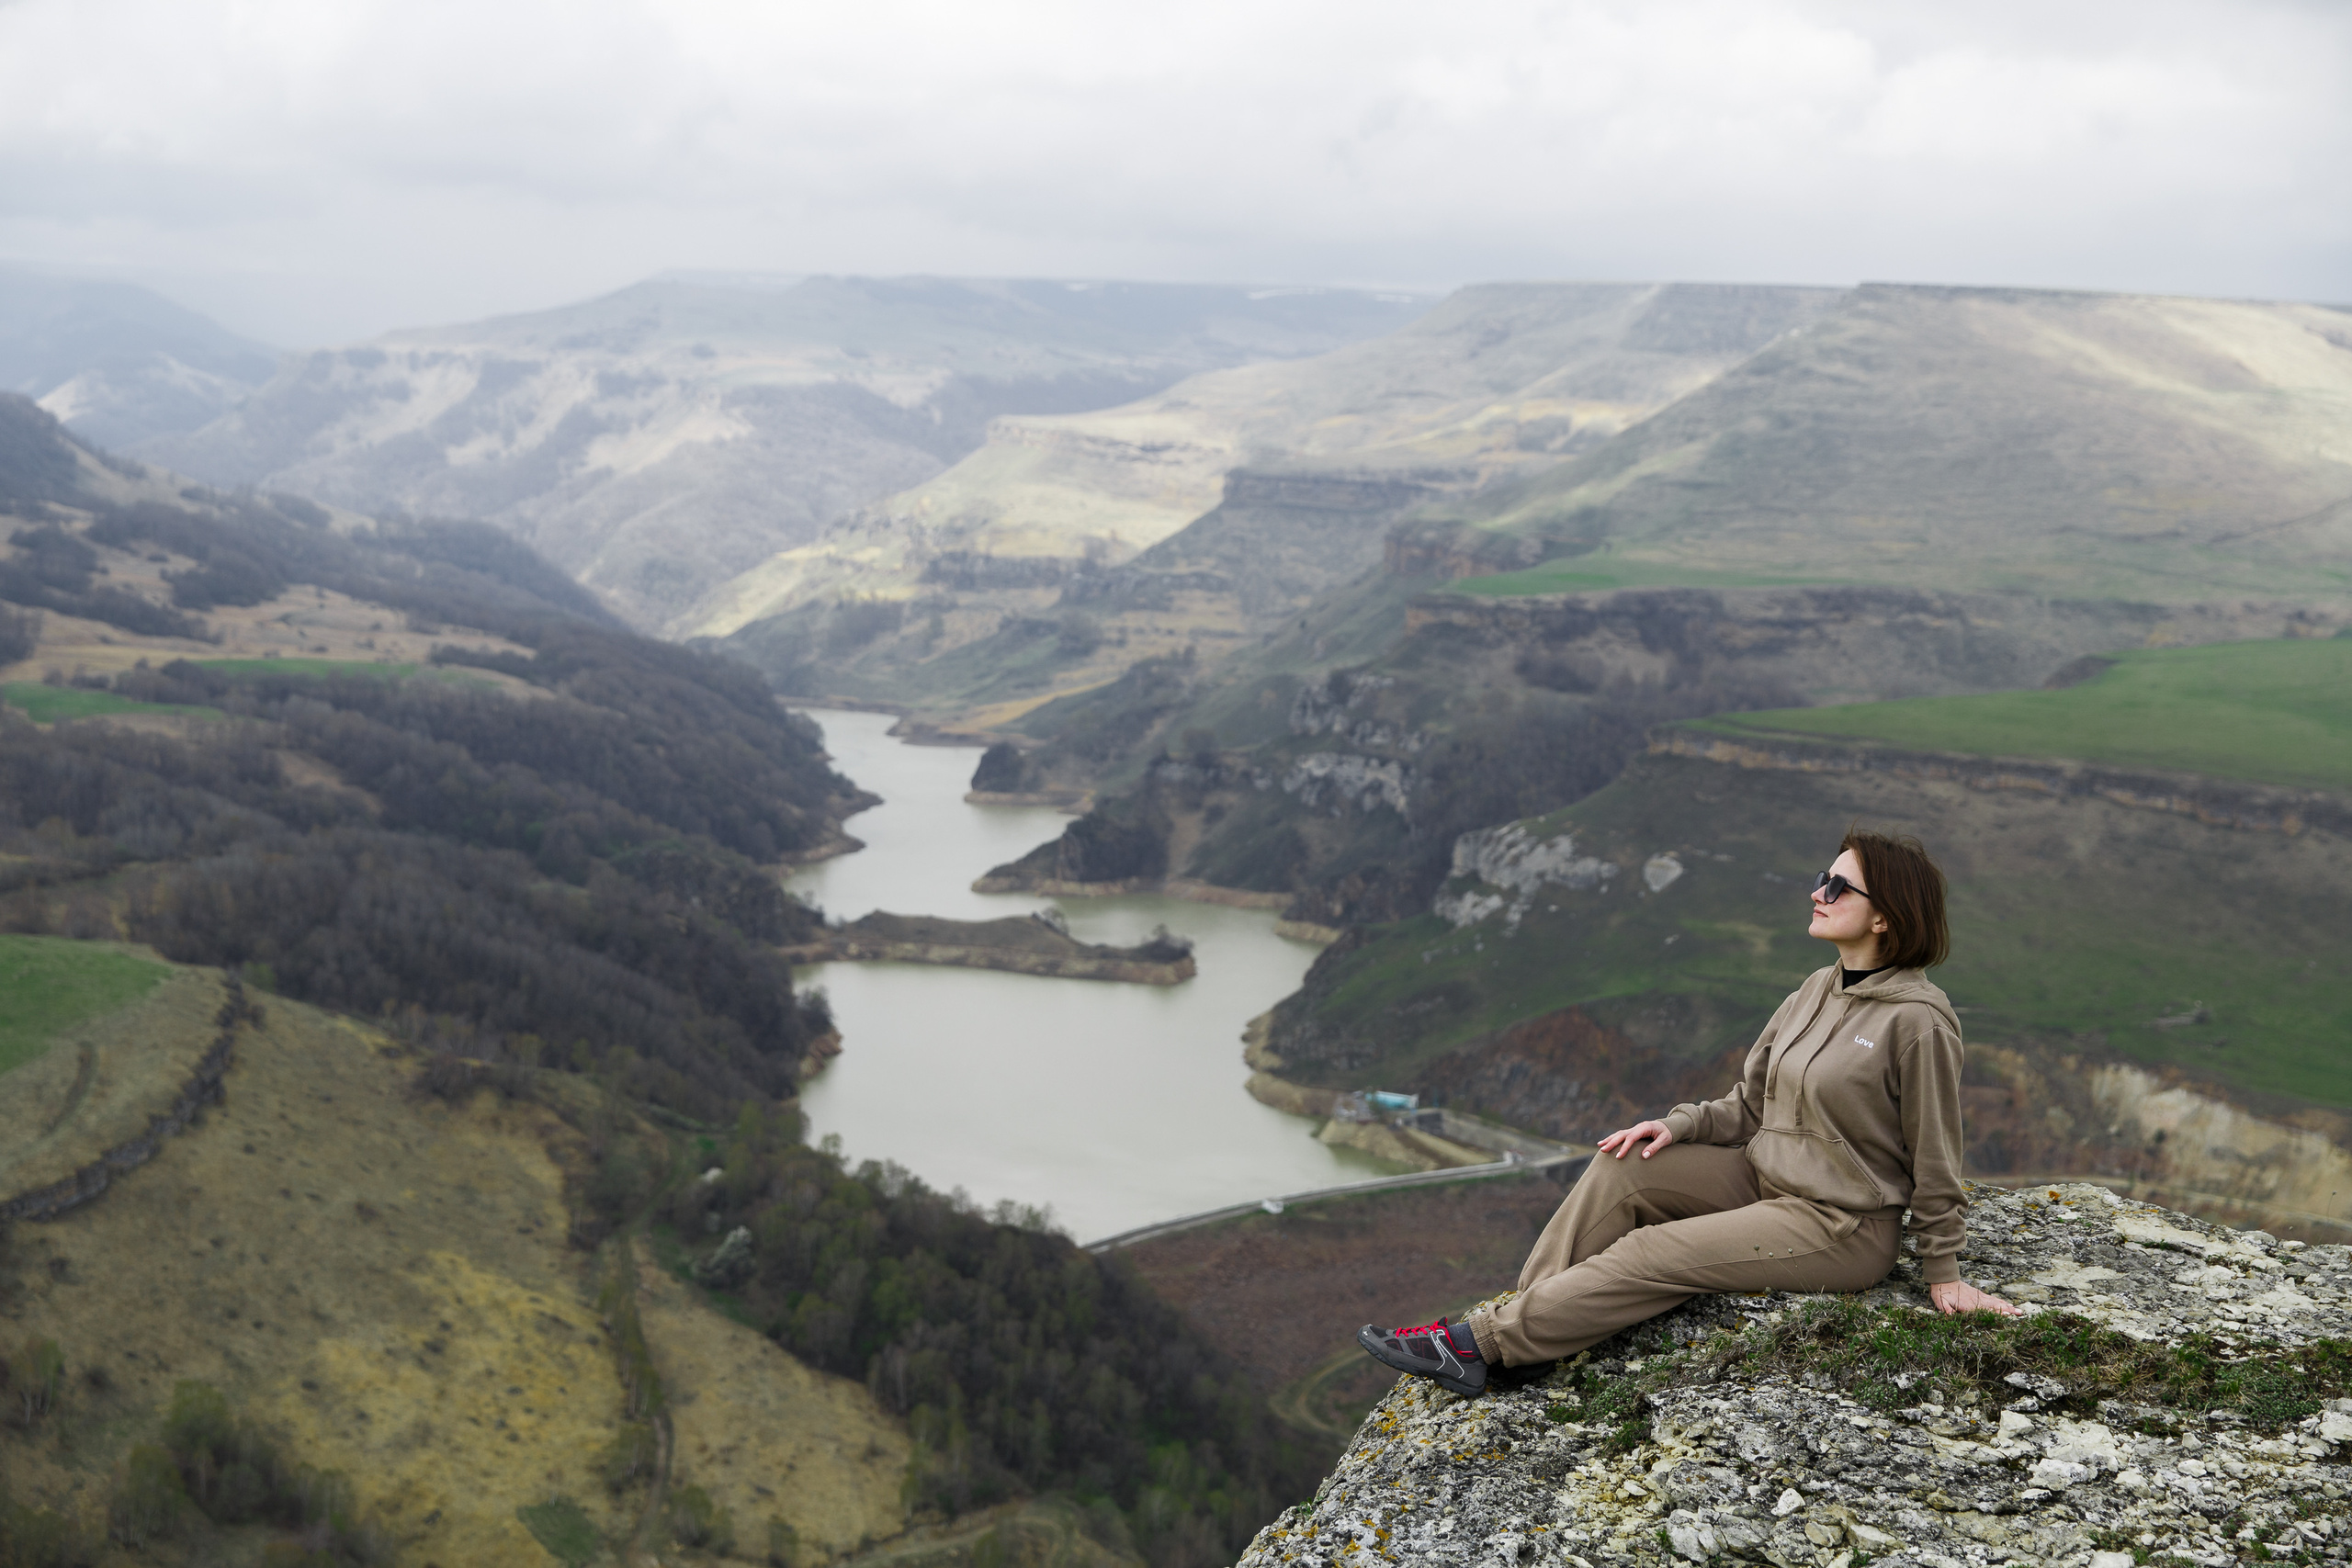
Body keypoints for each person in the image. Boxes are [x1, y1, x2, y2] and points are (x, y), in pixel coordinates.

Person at [1359, 829, 2018, 1397]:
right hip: (1763, 1179)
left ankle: (1482, 1343)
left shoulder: (1920, 1021)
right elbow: (1748, 1104)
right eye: (1823, 878)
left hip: (1839, 1222)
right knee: (1623, 1167)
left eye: (1838, 886)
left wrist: (1945, 1273)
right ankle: (1526, 1333)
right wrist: (1676, 1126)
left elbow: (1937, 1154)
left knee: (1653, 1250)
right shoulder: (1817, 988)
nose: (1818, 892)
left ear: (1885, 917)